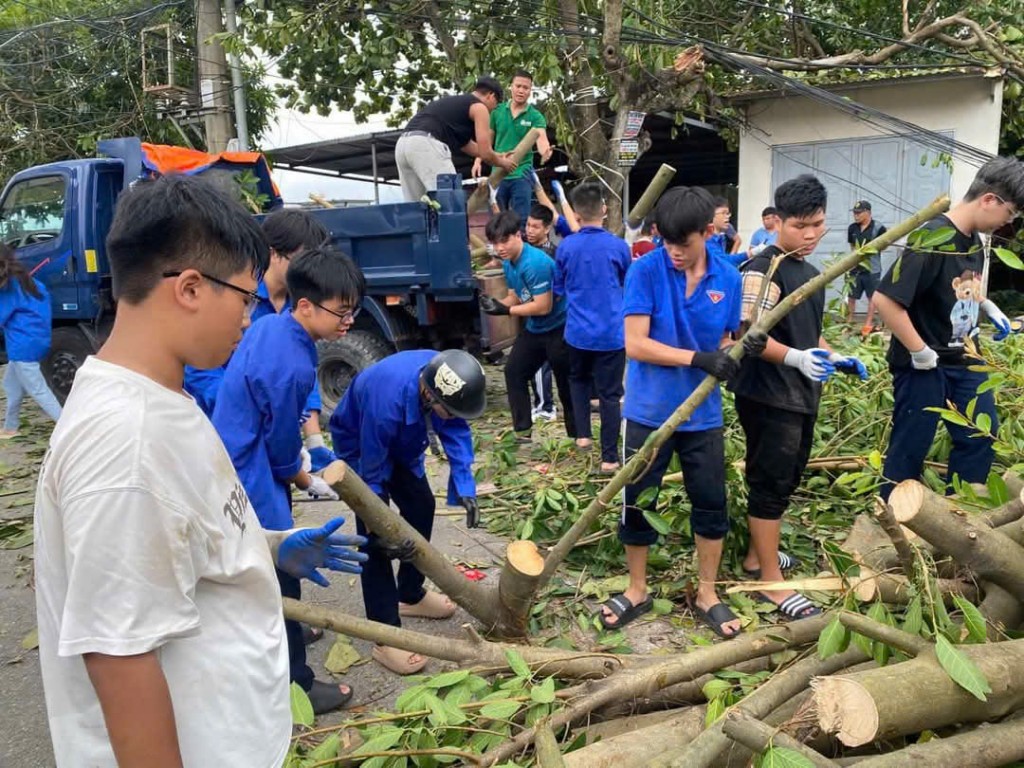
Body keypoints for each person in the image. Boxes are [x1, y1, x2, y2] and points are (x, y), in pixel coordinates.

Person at [33, 175, 366, 768]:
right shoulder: (124, 444)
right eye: (244, 297)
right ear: (190, 288)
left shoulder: (168, 397)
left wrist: (266, 548)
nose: (249, 317)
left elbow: (184, 534)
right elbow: (120, 655)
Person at [213, 245, 366, 714]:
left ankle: (288, 631)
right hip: (248, 463)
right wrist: (300, 476)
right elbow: (280, 441)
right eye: (341, 313)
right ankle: (295, 681)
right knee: (282, 563)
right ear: (305, 306)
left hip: (236, 445)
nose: (348, 323)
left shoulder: (270, 326)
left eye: (352, 311)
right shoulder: (294, 364)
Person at [598, 186, 744, 637]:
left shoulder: (729, 277)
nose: (674, 252)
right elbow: (635, 343)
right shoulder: (645, 270)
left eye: (684, 243)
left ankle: (707, 593)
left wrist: (729, 357)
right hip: (648, 411)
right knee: (638, 501)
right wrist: (696, 359)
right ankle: (637, 589)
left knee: (710, 503)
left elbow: (727, 337)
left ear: (707, 232)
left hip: (702, 414)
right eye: (667, 242)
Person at [730, 174, 868, 621]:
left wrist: (834, 355)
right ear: (777, 222)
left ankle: (756, 556)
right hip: (768, 395)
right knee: (769, 481)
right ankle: (770, 581)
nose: (810, 235)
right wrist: (793, 359)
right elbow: (746, 336)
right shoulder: (761, 269)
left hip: (800, 394)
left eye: (818, 225)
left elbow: (810, 334)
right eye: (799, 226)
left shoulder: (810, 273)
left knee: (786, 477)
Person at [874, 158, 1023, 500]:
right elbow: (886, 300)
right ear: (988, 200)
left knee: (980, 435)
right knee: (912, 444)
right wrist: (919, 350)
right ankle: (891, 518)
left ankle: (961, 514)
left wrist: (986, 306)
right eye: (1010, 214)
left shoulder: (975, 241)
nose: (1007, 223)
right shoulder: (932, 237)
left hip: (965, 358)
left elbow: (963, 287)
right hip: (923, 365)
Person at [330, 349, 485, 674]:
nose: (451, 415)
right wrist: (377, 528)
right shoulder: (387, 403)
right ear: (429, 395)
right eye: (449, 410)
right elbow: (373, 472)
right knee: (376, 546)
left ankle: (410, 594)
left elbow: (455, 429)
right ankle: (385, 636)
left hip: (402, 441)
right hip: (362, 447)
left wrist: (466, 487)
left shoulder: (445, 376)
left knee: (421, 505)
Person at [184, 212, 334, 463]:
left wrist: (314, 440)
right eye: (302, 262)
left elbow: (303, 372)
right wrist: (249, 410)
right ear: (274, 253)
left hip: (267, 428)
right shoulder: (236, 295)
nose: (310, 273)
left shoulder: (299, 305)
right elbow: (198, 367)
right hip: (218, 428)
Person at [553, 183, 631, 473]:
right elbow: (629, 283)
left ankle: (583, 436)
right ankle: (610, 458)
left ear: (575, 213)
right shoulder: (618, 246)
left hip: (577, 332)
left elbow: (558, 288)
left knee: (578, 381)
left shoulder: (566, 247)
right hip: (611, 333)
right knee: (610, 395)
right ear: (604, 209)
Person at [480, 210, 576, 443]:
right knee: (513, 372)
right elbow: (515, 296)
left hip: (558, 327)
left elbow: (543, 306)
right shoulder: (508, 263)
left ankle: (578, 435)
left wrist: (507, 311)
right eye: (495, 243)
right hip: (536, 329)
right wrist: (497, 305)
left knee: (566, 384)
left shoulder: (535, 263)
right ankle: (522, 433)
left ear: (518, 235)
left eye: (504, 240)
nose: (500, 248)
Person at [396, 77, 517, 202]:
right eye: (496, 105)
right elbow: (485, 153)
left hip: (403, 144)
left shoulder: (457, 105)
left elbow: (469, 146)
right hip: (426, 145)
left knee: (416, 207)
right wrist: (503, 163)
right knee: (450, 201)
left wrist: (499, 155)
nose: (493, 110)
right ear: (491, 96)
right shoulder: (479, 107)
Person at [472, 70, 554, 222]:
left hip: (522, 173)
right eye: (518, 86)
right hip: (497, 173)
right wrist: (478, 160)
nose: (521, 90)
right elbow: (486, 140)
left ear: (530, 91)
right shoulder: (497, 111)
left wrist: (545, 151)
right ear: (511, 87)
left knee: (521, 221)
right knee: (497, 222)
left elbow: (541, 138)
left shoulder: (535, 116)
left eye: (525, 88)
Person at [1, 242, 62, 437]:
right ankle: (11, 427)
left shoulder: (9, 287)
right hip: (37, 342)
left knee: (39, 391)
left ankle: (65, 427)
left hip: (22, 347)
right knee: (11, 384)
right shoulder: (28, 280)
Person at [846, 200, 889, 336]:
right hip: (855, 269)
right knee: (851, 296)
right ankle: (848, 322)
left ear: (868, 213)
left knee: (872, 298)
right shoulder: (852, 228)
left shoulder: (878, 228)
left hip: (872, 269)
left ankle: (868, 324)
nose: (856, 215)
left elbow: (884, 245)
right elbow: (852, 247)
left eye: (859, 213)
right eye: (854, 213)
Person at [707, 197, 745, 268]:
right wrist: (750, 253)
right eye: (723, 213)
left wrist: (732, 255)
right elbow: (722, 262)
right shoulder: (707, 238)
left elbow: (738, 240)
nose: (727, 217)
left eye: (728, 213)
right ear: (712, 215)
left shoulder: (723, 233)